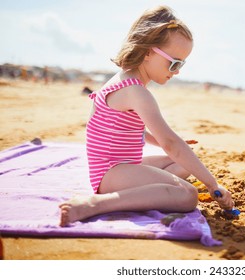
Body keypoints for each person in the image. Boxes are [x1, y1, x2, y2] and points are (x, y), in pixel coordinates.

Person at [59, 6, 233, 226]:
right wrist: (212, 184)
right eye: (175, 62)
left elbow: (130, 129)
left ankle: (149, 190)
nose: (177, 71)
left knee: (185, 163)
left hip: (117, 166)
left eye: (182, 64)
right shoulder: (137, 92)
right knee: (188, 195)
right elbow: (171, 143)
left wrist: (162, 143)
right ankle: (96, 204)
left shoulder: (123, 80)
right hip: (111, 172)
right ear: (149, 51)